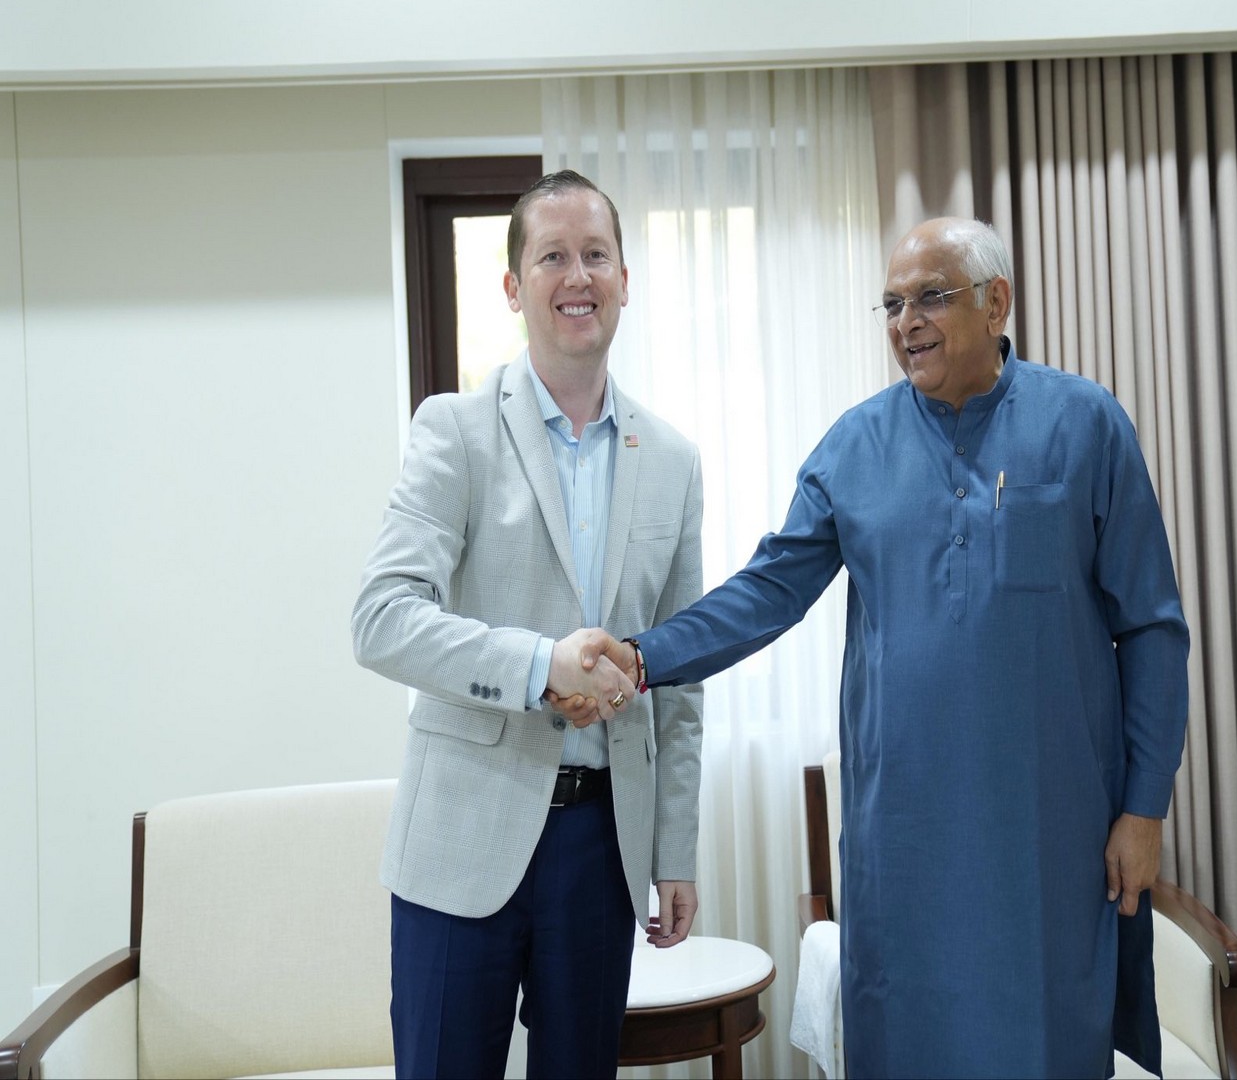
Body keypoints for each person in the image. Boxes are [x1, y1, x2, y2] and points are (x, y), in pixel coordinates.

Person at [583, 217, 1189, 1078]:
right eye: (893, 304)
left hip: (1050, 831)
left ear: (997, 303)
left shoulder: (1086, 424)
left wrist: (1144, 806)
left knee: (1051, 1040)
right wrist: (644, 657)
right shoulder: (855, 445)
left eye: (930, 298)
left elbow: (1153, 627)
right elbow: (768, 591)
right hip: (902, 836)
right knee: (907, 1039)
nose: (907, 322)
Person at [350, 169, 704, 1080]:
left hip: (601, 850)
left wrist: (674, 851)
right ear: (514, 287)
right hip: (461, 835)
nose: (577, 276)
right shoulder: (453, 431)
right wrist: (541, 664)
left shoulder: (673, 461)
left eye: (596, 255)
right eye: (552, 257)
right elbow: (382, 618)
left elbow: (681, 677)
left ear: (625, 279)